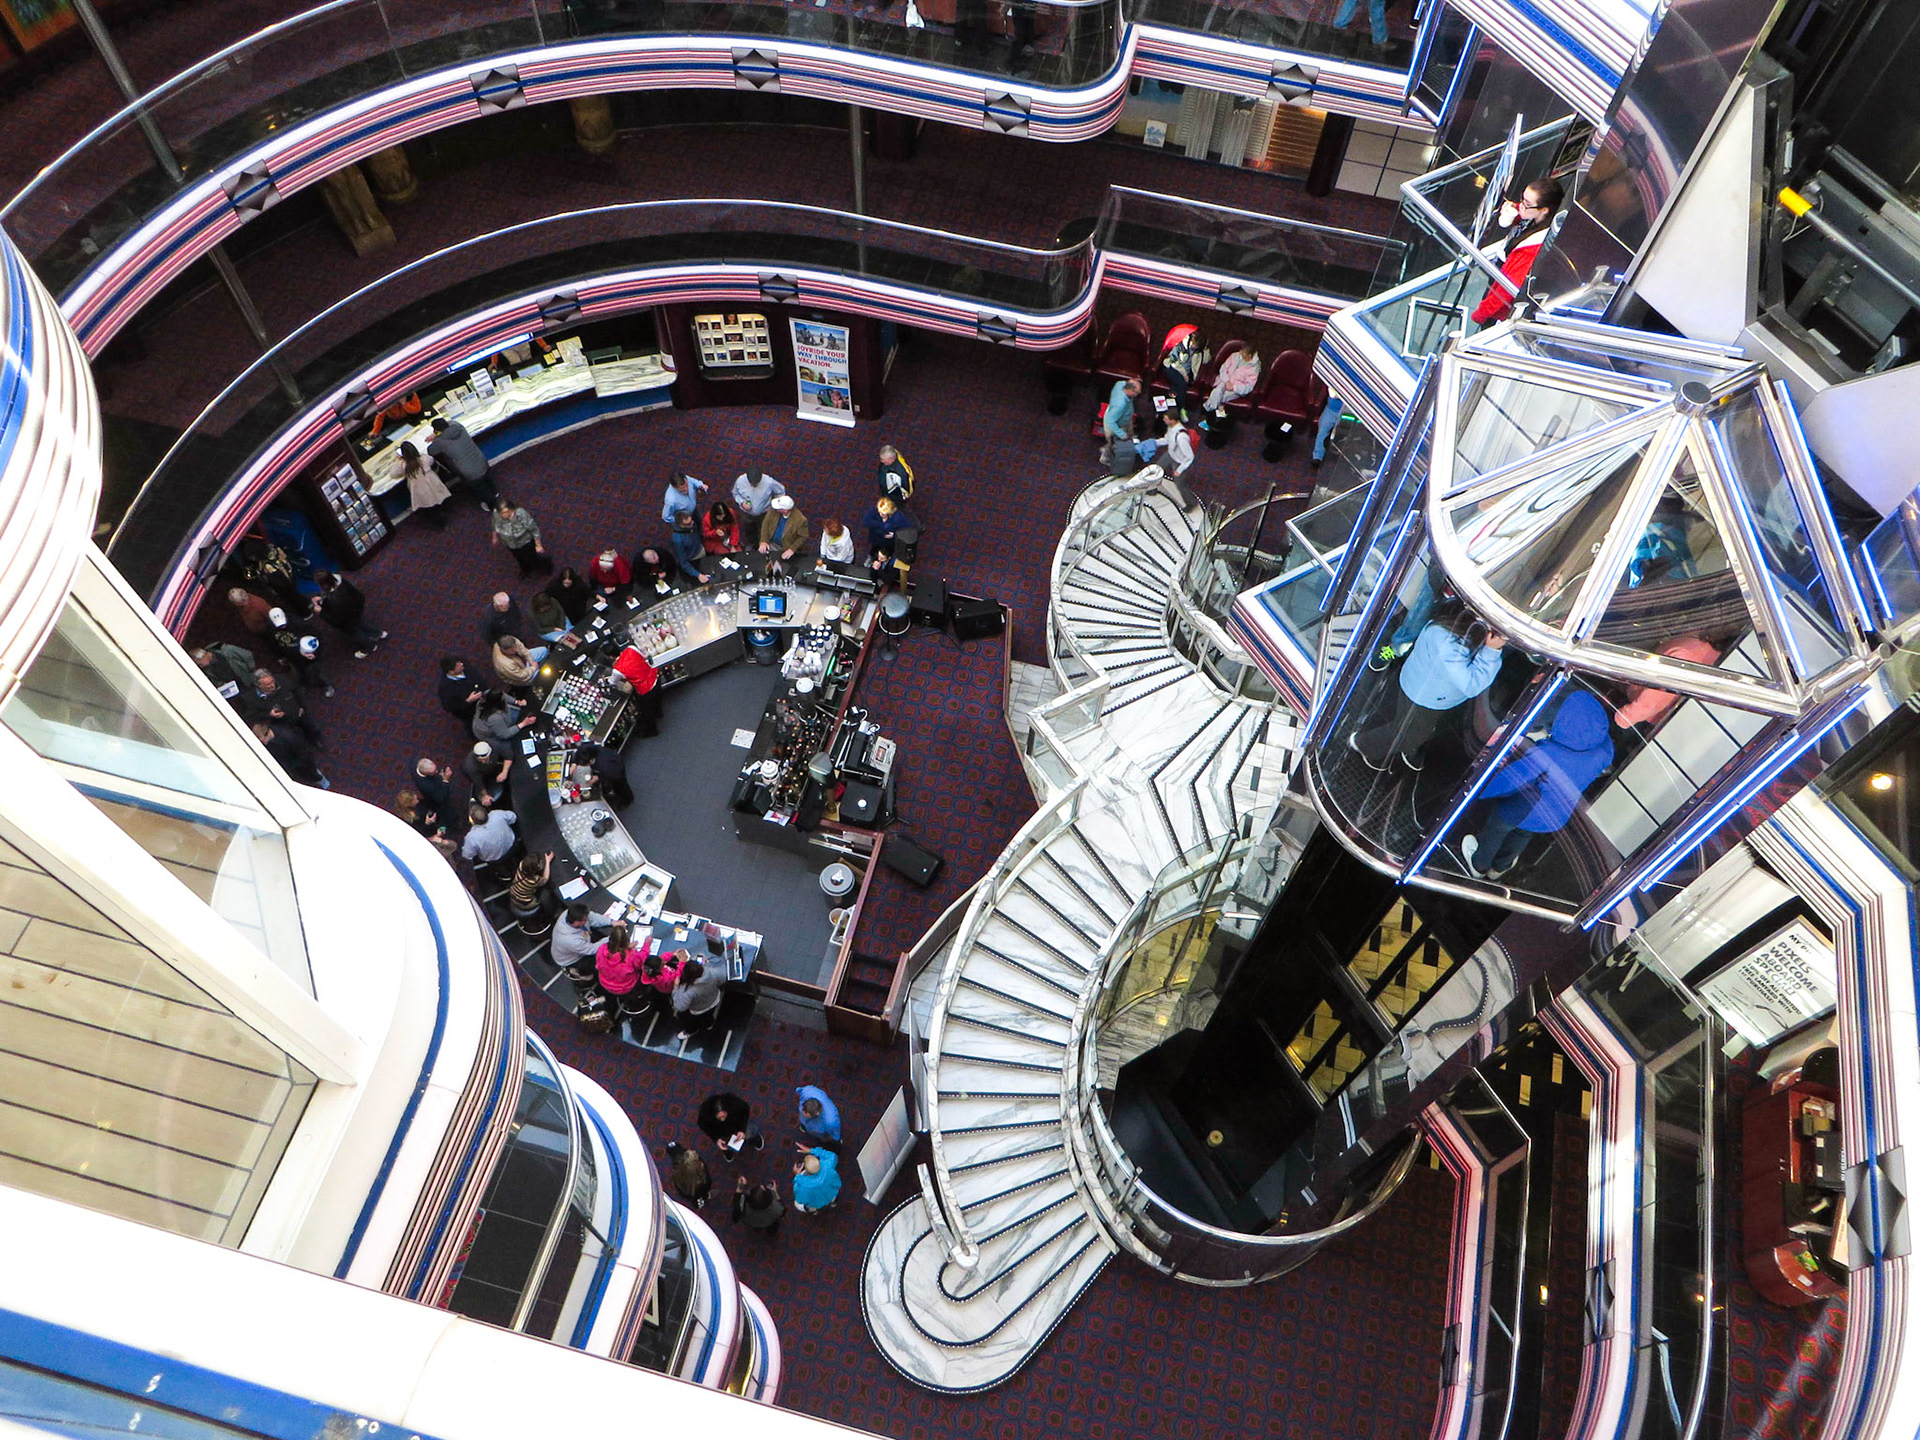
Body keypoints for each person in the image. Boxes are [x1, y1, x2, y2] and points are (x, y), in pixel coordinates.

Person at [1460, 690, 1615, 880]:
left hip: (1523, 807)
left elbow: (1511, 781)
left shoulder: (1547, 754)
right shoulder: (1604, 753)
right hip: (1555, 814)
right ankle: (1500, 867)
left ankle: (1479, 865)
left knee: (1497, 829)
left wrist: (1481, 791)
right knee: (1523, 835)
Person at [1350, 605, 1506, 772]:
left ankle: (1404, 746)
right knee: (1410, 734)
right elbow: (1471, 685)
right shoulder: (1449, 644)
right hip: (1426, 698)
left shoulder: (1448, 620)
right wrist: (1491, 651)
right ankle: (1365, 744)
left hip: (1416, 682)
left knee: (1404, 718)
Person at [1471, 177, 1565, 327]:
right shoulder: (1530, 216)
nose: (1521, 206)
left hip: (1504, 291)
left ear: (1544, 210)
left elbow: (1507, 288)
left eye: (1527, 204)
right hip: (1502, 267)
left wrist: (1481, 313)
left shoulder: (1535, 246)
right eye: (1522, 199)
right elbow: (1519, 210)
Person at [311, 572, 387, 658]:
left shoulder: (334, 599)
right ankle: (378, 633)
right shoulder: (341, 582)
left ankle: (369, 647)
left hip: (346, 619)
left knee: (356, 632)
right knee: (360, 623)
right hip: (355, 609)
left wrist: (321, 612)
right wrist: (323, 599)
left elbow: (336, 619)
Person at [428, 417, 498, 508]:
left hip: (469, 471)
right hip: (481, 460)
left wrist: (436, 436)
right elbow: (451, 423)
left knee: (481, 489)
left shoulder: (439, 441)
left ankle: (492, 506)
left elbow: (431, 451)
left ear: (437, 430)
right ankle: (495, 492)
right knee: (487, 478)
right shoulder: (458, 426)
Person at [245, 668, 320, 747]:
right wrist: (269, 714)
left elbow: (297, 690)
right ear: (259, 685)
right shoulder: (251, 698)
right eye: (268, 684)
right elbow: (251, 717)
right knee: (294, 742)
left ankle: (316, 741)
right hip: (280, 724)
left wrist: (302, 706)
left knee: (312, 728)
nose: (272, 685)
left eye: (272, 681)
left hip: (297, 713)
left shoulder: (282, 679)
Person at [252, 720, 327, 787]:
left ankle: (322, 782)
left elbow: (303, 752)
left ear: (265, 734)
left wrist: (293, 766)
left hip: (300, 762)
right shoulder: (269, 740)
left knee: (312, 775)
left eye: (259, 738)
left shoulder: (287, 737)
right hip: (290, 764)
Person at [490, 498, 552, 576]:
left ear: (511, 509)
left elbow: (534, 529)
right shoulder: (496, 513)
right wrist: (494, 536)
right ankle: (526, 570)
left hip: (525, 542)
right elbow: (494, 524)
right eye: (502, 513)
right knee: (519, 558)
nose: (503, 515)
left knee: (534, 557)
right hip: (510, 544)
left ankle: (547, 565)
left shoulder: (521, 514)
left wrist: (538, 545)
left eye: (506, 512)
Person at [611, 645, 663, 738]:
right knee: (657, 700)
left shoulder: (617, 669)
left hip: (646, 689)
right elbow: (643, 657)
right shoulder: (631, 648)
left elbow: (612, 682)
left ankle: (652, 731)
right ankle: (659, 713)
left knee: (647, 712)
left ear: (611, 657)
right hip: (654, 677)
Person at [398, 441, 452, 528]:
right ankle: (441, 514)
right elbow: (431, 460)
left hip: (420, 490)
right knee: (437, 499)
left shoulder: (403, 465)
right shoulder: (424, 458)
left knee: (429, 505)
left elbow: (393, 473)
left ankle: (438, 522)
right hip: (432, 484)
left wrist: (399, 460)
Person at [573, 740, 634, 810]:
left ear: (590, 760)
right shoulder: (588, 749)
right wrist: (574, 763)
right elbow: (579, 751)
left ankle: (627, 800)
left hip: (616, 770)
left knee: (620, 786)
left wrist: (598, 777)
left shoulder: (605, 766)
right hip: (609, 758)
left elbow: (614, 775)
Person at [698, 1091, 762, 1158]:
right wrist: (716, 1139)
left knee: (750, 1131)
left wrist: (742, 1130)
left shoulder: (734, 1105)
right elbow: (704, 1126)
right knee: (724, 1144)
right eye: (719, 1118)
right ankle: (728, 1150)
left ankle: (753, 1138)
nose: (722, 1120)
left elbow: (745, 1110)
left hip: (738, 1125)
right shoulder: (706, 1117)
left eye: (723, 1116)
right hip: (721, 1132)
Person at [595, 922, 646, 1005]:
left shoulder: (602, 948)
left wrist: (628, 948)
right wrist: (646, 946)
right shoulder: (631, 956)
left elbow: (598, 965)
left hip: (605, 983)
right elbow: (640, 966)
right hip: (625, 987)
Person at [190, 643, 256, 707]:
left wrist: (250, 669)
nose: (201, 666)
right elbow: (216, 681)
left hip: (248, 680)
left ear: (203, 657)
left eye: (200, 664)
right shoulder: (207, 669)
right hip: (236, 690)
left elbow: (247, 655)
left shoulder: (227, 650)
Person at [863, 495, 916, 574]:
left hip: (889, 541)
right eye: (880, 512)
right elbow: (866, 521)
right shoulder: (875, 510)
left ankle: (884, 564)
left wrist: (895, 535)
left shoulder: (898, 517)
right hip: (876, 537)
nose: (881, 514)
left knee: (887, 553)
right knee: (874, 550)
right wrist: (881, 525)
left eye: (884, 513)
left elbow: (908, 528)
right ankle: (871, 558)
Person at [1203, 347, 1262, 414]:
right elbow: (1223, 369)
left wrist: (1234, 387)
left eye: (1243, 353)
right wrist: (1227, 381)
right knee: (1217, 391)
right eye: (1241, 351)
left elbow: (1249, 387)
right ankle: (1216, 417)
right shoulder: (1234, 356)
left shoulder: (1254, 368)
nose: (1240, 354)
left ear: (1249, 355)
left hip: (1236, 389)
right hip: (1225, 381)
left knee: (1222, 397)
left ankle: (1208, 412)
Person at [671, 957, 725, 1029]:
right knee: (709, 1016)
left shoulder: (687, 991)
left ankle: (696, 1028)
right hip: (714, 999)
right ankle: (709, 1025)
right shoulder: (713, 972)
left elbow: (680, 1007)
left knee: (700, 1019)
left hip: (699, 1009)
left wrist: (676, 987)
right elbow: (722, 979)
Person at [758, 494, 808, 566]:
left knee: (784, 568)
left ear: (785, 510)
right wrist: (763, 541)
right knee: (765, 564)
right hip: (771, 544)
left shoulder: (800, 520)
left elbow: (803, 537)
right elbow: (766, 525)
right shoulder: (773, 510)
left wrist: (792, 549)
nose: (776, 509)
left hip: (786, 547)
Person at [550, 903, 600, 976]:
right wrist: (610, 938)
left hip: (582, 940)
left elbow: (592, 917)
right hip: (572, 959)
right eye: (585, 920)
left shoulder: (568, 914)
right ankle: (578, 972)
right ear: (577, 922)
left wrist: (611, 922)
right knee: (600, 965)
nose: (587, 920)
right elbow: (591, 949)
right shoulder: (571, 941)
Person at [472, 691, 536, 747]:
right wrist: (524, 723)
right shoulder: (494, 718)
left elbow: (503, 695)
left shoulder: (488, 696)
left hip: (503, 718)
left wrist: (517, 702)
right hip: (492, 736)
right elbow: (504, 734)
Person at [790, 1144, 841, 1213]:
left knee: (797, 1204)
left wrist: (797, 1175)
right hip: (831, 1193)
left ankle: (815, 1210)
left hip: (816, 1202)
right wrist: (812, 1150)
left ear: (806, 1171)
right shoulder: (827, 1166)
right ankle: (833, 1203)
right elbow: (832, 1156)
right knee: (832, 1197)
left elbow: (800, 1199)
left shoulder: (801, 1185)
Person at [463, 741, 511, 810]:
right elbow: (478, 783)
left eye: (485, 759)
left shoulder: (495, 745)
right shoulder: (470, 766)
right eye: (480, 760)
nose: (483, 762)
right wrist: (485, 795)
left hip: (493, 768)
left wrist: (504, 772)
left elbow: (508, 756)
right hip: (481, 777)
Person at [664, 1141, 712, 1210]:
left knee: (695, 1198)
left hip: (690, 1193)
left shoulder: (678, 1175)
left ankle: (699, 1202)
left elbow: (672, 1148)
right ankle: (702, 1200)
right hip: (699, 1191)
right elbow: (709, 1182)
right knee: (701, 1196)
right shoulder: (704, 1180)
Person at [438, 655, 484, 724]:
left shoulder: (464, 666)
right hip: (472, 712)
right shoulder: (446, 689)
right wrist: (468, 701)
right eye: (458, 665)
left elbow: (478, 678)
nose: (462, 664)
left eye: (459, 662)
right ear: (451, 672)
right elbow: (450, 708)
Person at [1102, 377, 1139, 460]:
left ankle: (1130, 438)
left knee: (1130, 431)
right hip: (1115, 424)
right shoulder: (1120, 404)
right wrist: (1121, 434)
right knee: (1112, 444)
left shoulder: (1120, 384)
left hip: (1124, 417)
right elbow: (1110, 422)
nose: (1138, 394)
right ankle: (1105, 456)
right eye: (1137, 392)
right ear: (1130, 391)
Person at [667, 511, 708, 585]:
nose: (692, 523)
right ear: (681, 525)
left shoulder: (692, 522)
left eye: (692, 520)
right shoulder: (678, 540)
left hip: (700, 548)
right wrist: (697, 574)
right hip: (692, 559)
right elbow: (683, 561)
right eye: (689, 524)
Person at [509, 850, 553, 917]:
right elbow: (545, 879)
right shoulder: (534, 880)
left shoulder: (521, 865)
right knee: (546, 896)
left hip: (514, 895)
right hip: (525, 903)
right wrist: (547, 862)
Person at [638, 945, 683, 1011]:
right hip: (670, 987)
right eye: (662, 964)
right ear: (658, 969)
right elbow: (677, 976)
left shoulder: (650, 968)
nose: (664, 962)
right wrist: (682, 962)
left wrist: (673, 954)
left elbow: (662, 958)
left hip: (668, 978)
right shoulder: (664, 978)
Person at [1310, 391, 1346, 470]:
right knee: (1322, 430)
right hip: (1331, 409)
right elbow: (1333, 394)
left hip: (1347, 412)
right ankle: (1317, 457)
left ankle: (1339, 457)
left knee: (1342, 434)